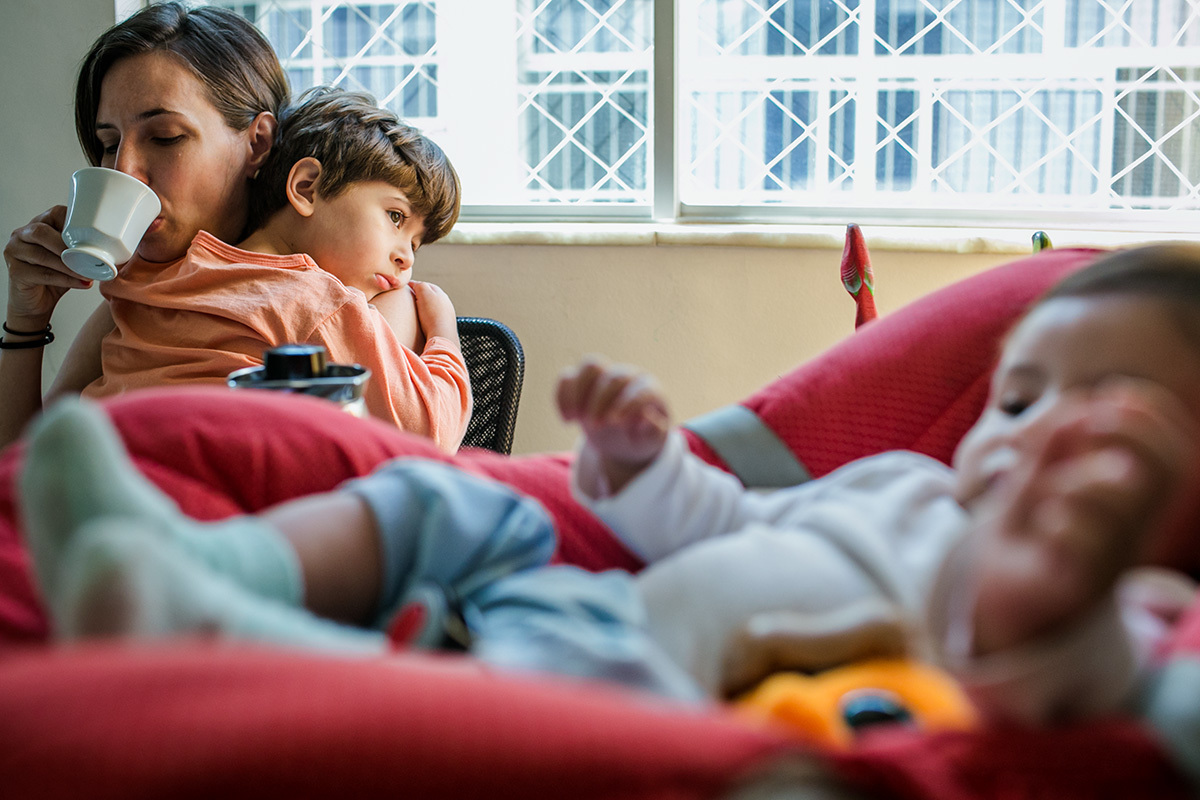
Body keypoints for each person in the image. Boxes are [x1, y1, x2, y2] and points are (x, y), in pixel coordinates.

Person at [17, 245, 1200, 730]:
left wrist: (1063, 583)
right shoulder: (900, 482)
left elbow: (1129, 690)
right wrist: (642, 463)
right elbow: (727, 520)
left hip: (659, 693)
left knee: (513, 676)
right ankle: (216, 563)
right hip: (609, 601)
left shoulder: (1124, 607)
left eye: (1108, 423)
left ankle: (226, 637)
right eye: (1019, 396)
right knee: (463, 501)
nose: (1031, 440)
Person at [83, 85, 471, 451]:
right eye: (395, 216)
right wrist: (444, 334)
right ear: (306, 188)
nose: (407, 257)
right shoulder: (317, 302)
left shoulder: (152, 273)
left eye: (416, 244)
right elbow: (426, 435)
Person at [1, 2, 289, 449]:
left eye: (164, 137)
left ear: (258, 143)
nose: (124, 169)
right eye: (108, 143)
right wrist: (26, 318)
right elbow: (23, 465)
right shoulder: (137, 293)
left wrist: (442, 324)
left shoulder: (313, 290)